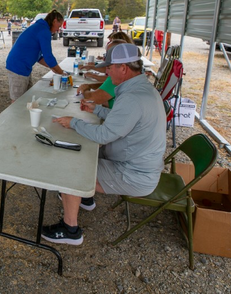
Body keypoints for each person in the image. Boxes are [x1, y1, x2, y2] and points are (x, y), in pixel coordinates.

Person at [44, 43, 165, 246]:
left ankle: (70, 229)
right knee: (82, 154)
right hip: (139, 165)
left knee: (70, 168)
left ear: (123, 68)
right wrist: (97, 110)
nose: (106, 72)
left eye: (109, 67)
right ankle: (85, 198)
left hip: (135, 174)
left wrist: (73, 122)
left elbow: (103, 135)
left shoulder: (132, 98)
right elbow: (124, 120)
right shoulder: (142, 89)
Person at [5, 10, 66, 102]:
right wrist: (61, 73)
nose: (58, 29)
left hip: (22, 66)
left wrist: (54, 68)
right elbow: (49, 57)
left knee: (27, 98)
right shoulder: (44, 31)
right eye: (59, 25)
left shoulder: (40, 27)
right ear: (54, 21)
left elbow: (39, 57)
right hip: (17, 67)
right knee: (17, 102)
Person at [76, 39, 128, 109]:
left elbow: (93, 98)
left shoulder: (119, 75)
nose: (107, 72)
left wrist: (84, 90)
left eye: (108, 53)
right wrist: (90, 86)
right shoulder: (125, 71)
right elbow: (107, 86)